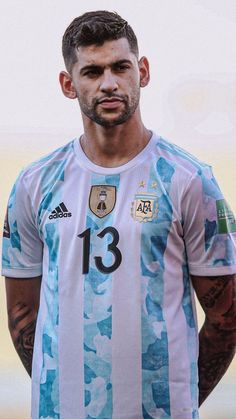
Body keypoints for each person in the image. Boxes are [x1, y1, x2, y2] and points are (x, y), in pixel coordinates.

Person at [2, 10, 236, 419]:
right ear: (68, 84)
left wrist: (175, 405)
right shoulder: (34, 182)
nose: (109, 83)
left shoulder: (188, 179)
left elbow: (226, 316)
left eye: (120, 67)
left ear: (142, 72)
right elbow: (23, 315)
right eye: (91, 71)